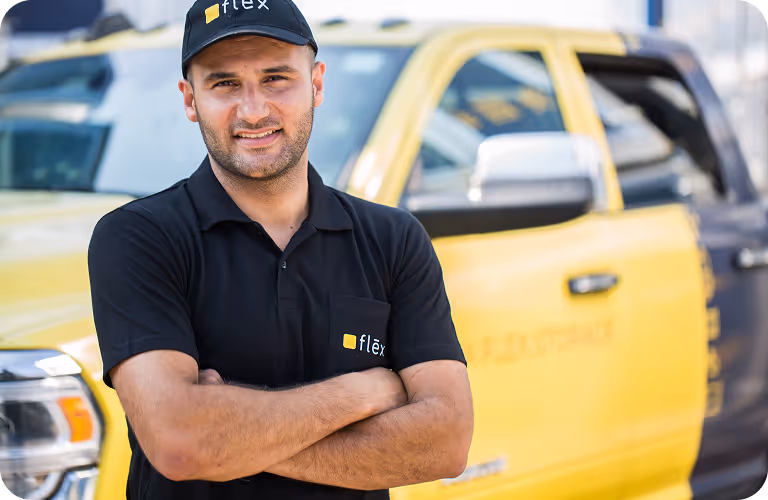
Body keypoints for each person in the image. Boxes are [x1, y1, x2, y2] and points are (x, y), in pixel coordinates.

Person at [87, 0, 474, 498]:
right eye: (224, 83)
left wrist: (228, 438)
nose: (253, 110)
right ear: (189, 100)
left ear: (315, 84)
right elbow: (181, 445)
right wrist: (360, 393)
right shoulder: (139, 238)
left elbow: (445, 445)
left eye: (276, 79)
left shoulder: (393, 239)